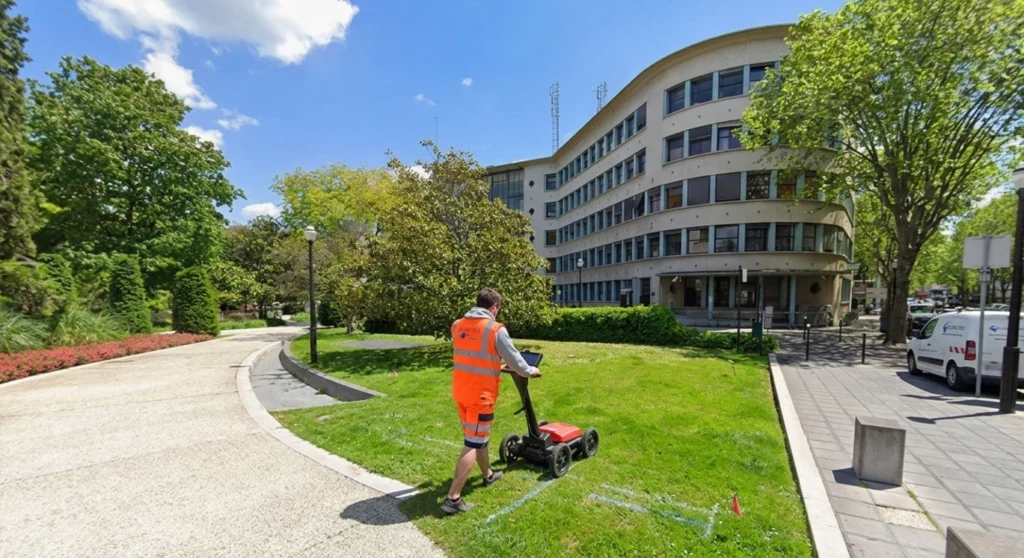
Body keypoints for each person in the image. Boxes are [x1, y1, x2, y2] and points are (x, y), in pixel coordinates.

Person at [441, 288, 540, 515]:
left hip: (461, 393)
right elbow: (517, 360)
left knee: (478, 438)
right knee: (473, 444)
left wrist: (496, 366)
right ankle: (453, 498)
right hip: (480, 397)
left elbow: (473, 353)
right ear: (494, 307)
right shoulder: (495, 329)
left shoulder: (457, 325)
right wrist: (530, 370)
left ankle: (488, 475)